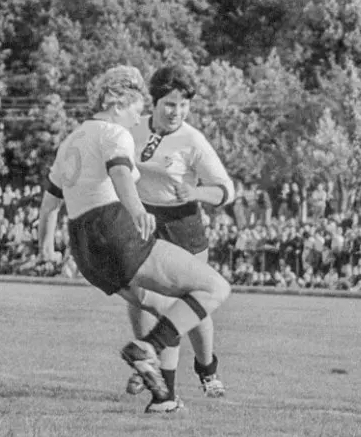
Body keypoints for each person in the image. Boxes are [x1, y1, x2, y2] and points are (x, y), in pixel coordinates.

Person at [36, 65, 232, 414]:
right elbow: (121, 172)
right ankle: (150, 350)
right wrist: (138, 210)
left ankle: (164, 398)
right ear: (116, 102)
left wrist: (46, 247)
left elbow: (51, 201)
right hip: (117, 231)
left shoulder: (72, 138)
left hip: (85, 248)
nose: (138, 115)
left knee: (165, 309)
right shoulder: (116, 133)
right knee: (215, 289)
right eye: (136, 107)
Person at [124, 65, 236, 399]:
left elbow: (226, 190)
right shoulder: (131, 129)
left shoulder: (192, 141)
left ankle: (207, 369)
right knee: (142, 301)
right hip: (144, 225)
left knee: (193, 306)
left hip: (183, 229)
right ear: (154, 102)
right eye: (170, 104)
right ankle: (148, 363)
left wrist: (198, 193)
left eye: (184, 104)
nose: (178, 112)